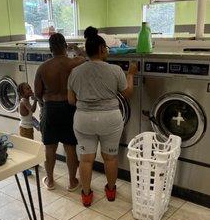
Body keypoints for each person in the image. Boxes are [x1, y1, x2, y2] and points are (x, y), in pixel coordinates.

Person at [68, 34, 137, 207]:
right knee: (110, 158)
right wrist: (130, 74)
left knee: (85, 160)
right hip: (110, 120)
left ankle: (86, 195)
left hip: (83, 119)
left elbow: (71, 100)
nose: (106, 50)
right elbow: (128, 94)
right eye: (105, 48)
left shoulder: (75, 71)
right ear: (100, 49)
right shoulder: (115, 70)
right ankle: (111, 191)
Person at [35, 33, 86, 191]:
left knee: (50, 147)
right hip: (69, 108)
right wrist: (76, 48)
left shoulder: (43, 68)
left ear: (50, 49)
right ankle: (72, 181)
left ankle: (50, 181)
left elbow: (37, 93)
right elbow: (86, 57)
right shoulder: (74, 63)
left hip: (50, 109)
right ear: (65, 46)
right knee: (70, 146)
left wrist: (44, 104)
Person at [17, 82, 38, 176]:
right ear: (22, 92)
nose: (30, 89)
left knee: (29, 146)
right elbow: (32, 110)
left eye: (30, 88)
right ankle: (24, 169)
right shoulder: (24, 101)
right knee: (27, 149)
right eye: (27, 89)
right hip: (25, 129)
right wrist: (36, 100)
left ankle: (31, 163)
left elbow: (29, 116)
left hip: (27, 127)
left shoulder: (26, 99)